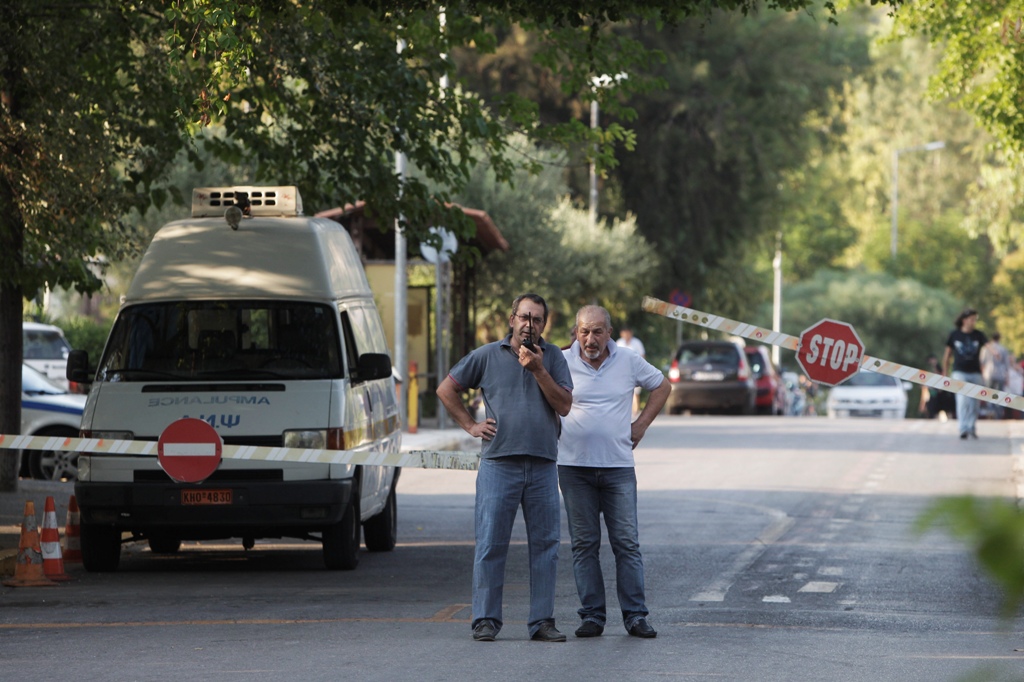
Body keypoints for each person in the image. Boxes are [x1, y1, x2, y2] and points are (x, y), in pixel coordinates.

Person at [436, 293, 574, 643]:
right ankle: (485, 620)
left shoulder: (553, 356)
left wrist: (538, 369)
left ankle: (541, 621)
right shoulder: (486, 355)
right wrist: (470, 425)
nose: (531, 325)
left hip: (542, 465)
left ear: (545, 324)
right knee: (491, 543)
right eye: (525, 317)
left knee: (546, 546)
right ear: (512, 319)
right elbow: (446, 389)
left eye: (538, 319)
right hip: (499, 464)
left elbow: (564, 405)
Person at [559, 305, 670, 639]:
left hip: (618, 467)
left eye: (596, 331)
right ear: (575, 333)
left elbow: (662, 387)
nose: (590, 339)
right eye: (583, 331)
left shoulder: (627, 359)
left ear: (609, 331)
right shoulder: (561, 361)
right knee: (584, 545)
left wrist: (642, 424)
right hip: (574, 467)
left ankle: (635, 617)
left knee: (626, 543)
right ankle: (592, 616)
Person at [941, 307, 987, 439]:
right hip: (959, 372)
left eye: (975, 320)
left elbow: (988, 346)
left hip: (975, 372)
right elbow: (947, 355)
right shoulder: (954, 335)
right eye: (972, 319)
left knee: (974, 403)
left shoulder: (978, 335)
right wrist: (944, 371)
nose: (974, 322)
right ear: (964, 320)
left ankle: (971, 427)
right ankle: (963, 428)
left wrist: (995, 353)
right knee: (962, 399)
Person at [981, 332, 1012, 418]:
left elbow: (982, 362)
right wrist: (1007, 377)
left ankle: (990, 411)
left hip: (988, 373)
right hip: (1000, 374)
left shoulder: (985, 349)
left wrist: (982, 375)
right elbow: (1006, 365)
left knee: (989, 393)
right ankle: (998, 413)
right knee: (998, 394)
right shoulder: (1003, 349)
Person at [615, 327, 646, 413]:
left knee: (635, 391)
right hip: (622, 371)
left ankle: (635, 410)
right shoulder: (619, 342)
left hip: (635, 370)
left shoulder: (637, 343)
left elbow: (642, 355)